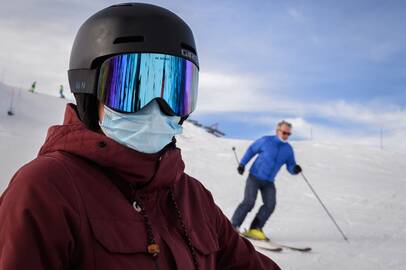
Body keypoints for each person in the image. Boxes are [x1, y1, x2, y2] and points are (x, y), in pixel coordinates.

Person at [0, 3, 280, 270]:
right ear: (88, 89)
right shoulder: (46, 188)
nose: (157, 108)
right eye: (132, 90)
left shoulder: (192, 197)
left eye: (173, 92)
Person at [231, 121, 302, 240]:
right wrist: (242, 164)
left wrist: (295, 169)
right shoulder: (266, 141)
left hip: (269, 181)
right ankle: (233, 226)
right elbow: (251, 150)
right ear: (278, 131)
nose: (286, 136)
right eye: (284, 132)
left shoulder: (288, 149)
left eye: (288, 134)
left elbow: (290, 165)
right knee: (249, 202)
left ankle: (255, 229)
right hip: (254, 177)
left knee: (270, 205)